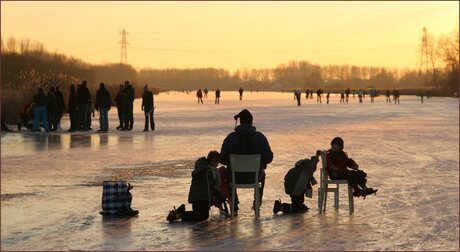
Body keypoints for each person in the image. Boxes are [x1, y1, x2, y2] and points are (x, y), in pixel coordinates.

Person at [220, 109, 273, 214]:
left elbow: (223, 159)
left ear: (240, 122)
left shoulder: (231, 137)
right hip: (255, 176)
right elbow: (269, 158)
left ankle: (234, 205)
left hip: (235, 177)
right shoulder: (260, 137)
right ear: (251, 121)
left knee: (226, 173)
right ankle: (257, 204)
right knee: (263, 175)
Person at [166, 151, 224, 222]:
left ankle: (180, 212)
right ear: (213, 160)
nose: (217, 166)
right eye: (217, 163)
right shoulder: (207, 171)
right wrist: (219, 195)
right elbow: (210, 186)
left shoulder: (204, 168)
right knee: (202, 216)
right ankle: (178, 214)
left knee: (201, 215)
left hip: (199, 197)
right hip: (200, 198)